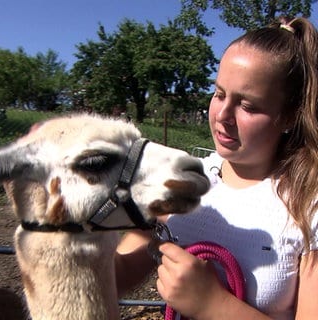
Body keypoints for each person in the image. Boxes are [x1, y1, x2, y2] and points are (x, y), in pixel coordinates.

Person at [115, 16, 318, 320]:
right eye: (219, 93)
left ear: (289, 116)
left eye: (247, 105)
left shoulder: (307, 206)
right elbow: (116, 277)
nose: (223, 113)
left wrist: (212, 304)